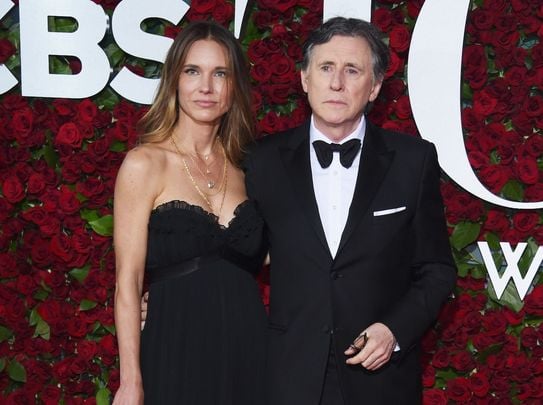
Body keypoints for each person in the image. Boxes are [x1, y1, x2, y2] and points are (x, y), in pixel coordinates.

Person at [243, 17, 457, 405]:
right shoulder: (262, 162)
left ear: (374, 86)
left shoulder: (413, 161)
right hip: (288, 376)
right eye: (326, 68)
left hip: (379, 380)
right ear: (305, 78)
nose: (337, 83)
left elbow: (437, 269)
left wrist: (394, 331)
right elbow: (241, 254)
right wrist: (172, 294)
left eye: (352, 70)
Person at [113, 21, 267, 405]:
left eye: (220, 74)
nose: (206, 87)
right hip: (173, 349)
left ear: (234, 88)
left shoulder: (252, 170)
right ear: (174, 81)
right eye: (193, 71)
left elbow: (293, 258)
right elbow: (127, 283)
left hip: (249, 354)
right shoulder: (144, 164)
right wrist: (130, 383)